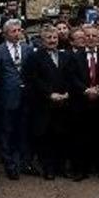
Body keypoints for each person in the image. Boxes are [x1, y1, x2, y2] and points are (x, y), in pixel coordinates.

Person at [66, 24, 99, 182]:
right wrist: (86, 90)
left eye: (94, 36)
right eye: (88, 36)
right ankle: (81, 170)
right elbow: (72, 76)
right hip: (81, 103)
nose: (91, 38)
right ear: (83, 38)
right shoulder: (75, 56)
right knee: (80, 137)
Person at [26, 24, 70, 180]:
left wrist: (66, 93)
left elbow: (70, 76)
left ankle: (61, 167)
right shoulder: (34, 57)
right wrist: (49, 94)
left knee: (62, 135)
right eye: (49, 38)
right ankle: (48, 168)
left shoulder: (66, 55)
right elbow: (33, 79)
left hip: (63, 103)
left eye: (55, 37)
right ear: (42, 40)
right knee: (46, 137)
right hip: (44, 104)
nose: (52, 41)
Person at [0, 19, 33, 180]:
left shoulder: (28, 49)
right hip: (7, 96)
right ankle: (9, 163)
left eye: (19, 30)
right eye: (13, 31)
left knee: (23, 130)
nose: (17, 34)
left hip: (25, 96)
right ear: (5, 34)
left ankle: (21, 162)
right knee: (7, 131)